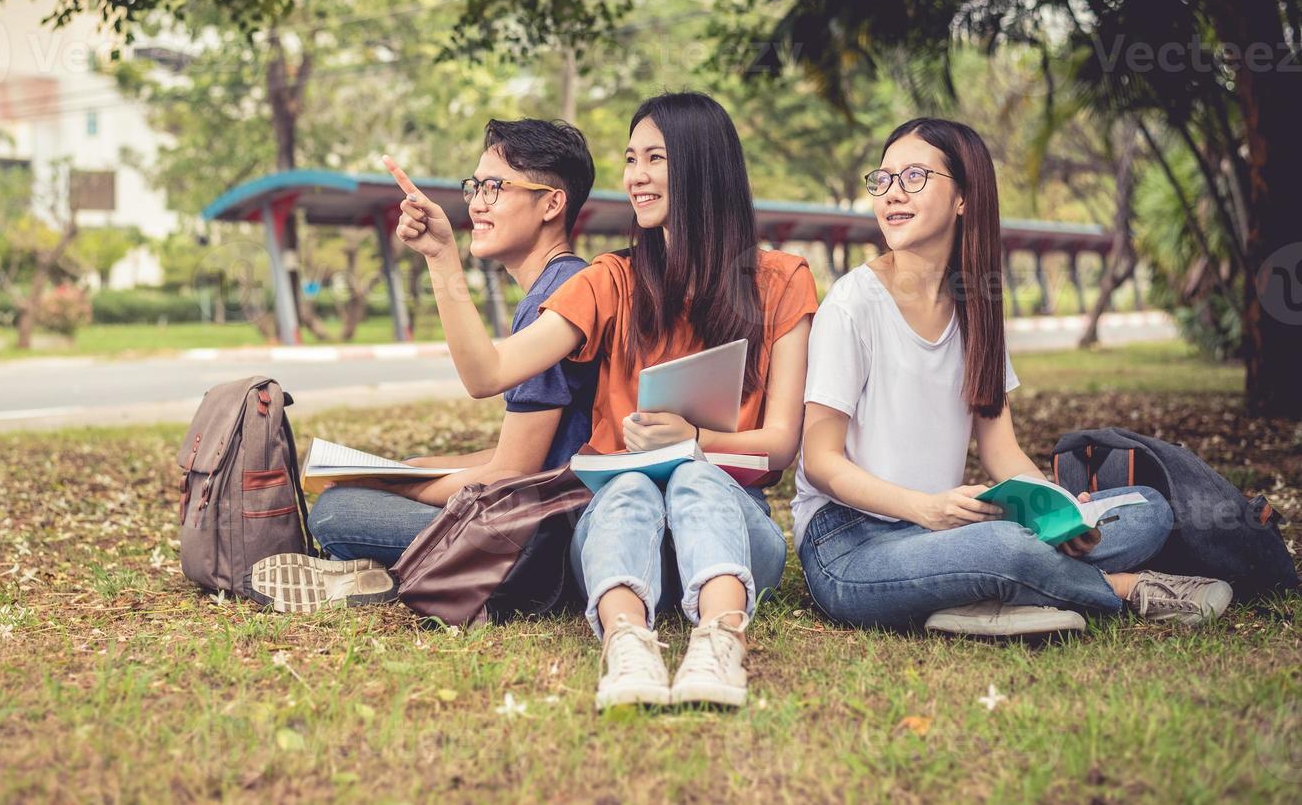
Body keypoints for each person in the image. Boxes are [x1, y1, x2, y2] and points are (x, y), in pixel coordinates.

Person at [388, 92, 818, 709]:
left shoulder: (781, 279)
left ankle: (721, 641)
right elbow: (488, 371)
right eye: (630, 159)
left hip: (733, 529)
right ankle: (626, 645)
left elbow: (780, 444)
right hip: (623, 531)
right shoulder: (611, 281)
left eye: (654, 159)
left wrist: (693, 443)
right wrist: (441, 258)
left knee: (696, 479)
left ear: (703, 166)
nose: (636, 176)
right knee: (630, 486)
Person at [794, 117, 1233, 638]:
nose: (892, 193)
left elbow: (1001, 451)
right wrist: (925, 508)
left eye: (914, 176)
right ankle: (1121, 589)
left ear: (963, 197)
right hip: (850, 543)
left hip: (949, 529)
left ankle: (982, 594)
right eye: (883, 179)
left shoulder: (977, 306)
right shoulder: (852, 303)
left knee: (1146, 510)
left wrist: (1059, 511)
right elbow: (821, 463)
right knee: (1004, 548)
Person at [248, 118, 598, 611]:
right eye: (475, 186)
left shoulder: (559, 300)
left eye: (496, 186)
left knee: (336, 512)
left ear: (551, 203)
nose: (477, 202)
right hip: (546, 520)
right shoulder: (563, 285)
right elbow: (525, 454)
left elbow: (510, 474)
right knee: (369, 493)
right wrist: (407, 470)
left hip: (539, 546)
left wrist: (401, 487)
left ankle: (401, 577)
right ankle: (384, 575)